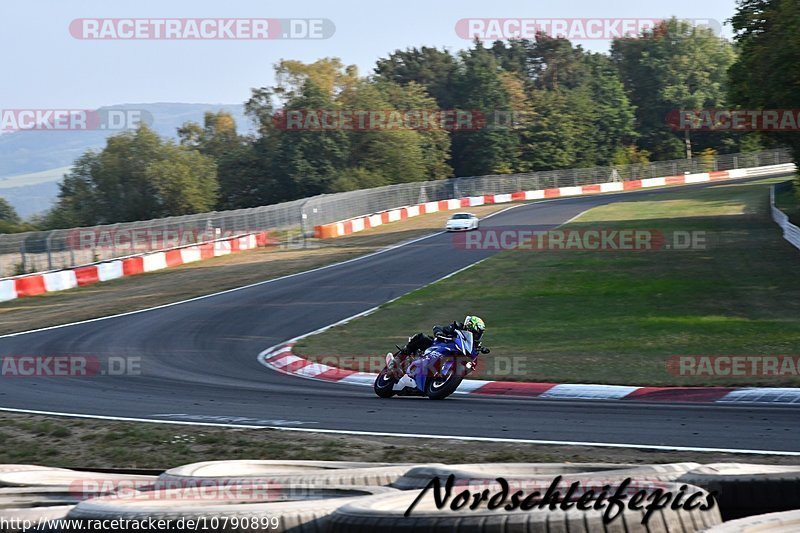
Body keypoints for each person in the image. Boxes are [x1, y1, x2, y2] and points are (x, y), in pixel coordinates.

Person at [401, 316, 486, 355]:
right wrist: (439, 333)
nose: (477, 335)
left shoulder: (472, 343)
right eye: (476, 332)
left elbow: (473, 352)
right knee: (421, 337)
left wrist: (481, 349)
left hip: (453, 355)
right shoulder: (457, 327)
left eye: (479, 333)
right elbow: (438, 327)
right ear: (470, 326)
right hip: (438, 346)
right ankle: (406, 351)